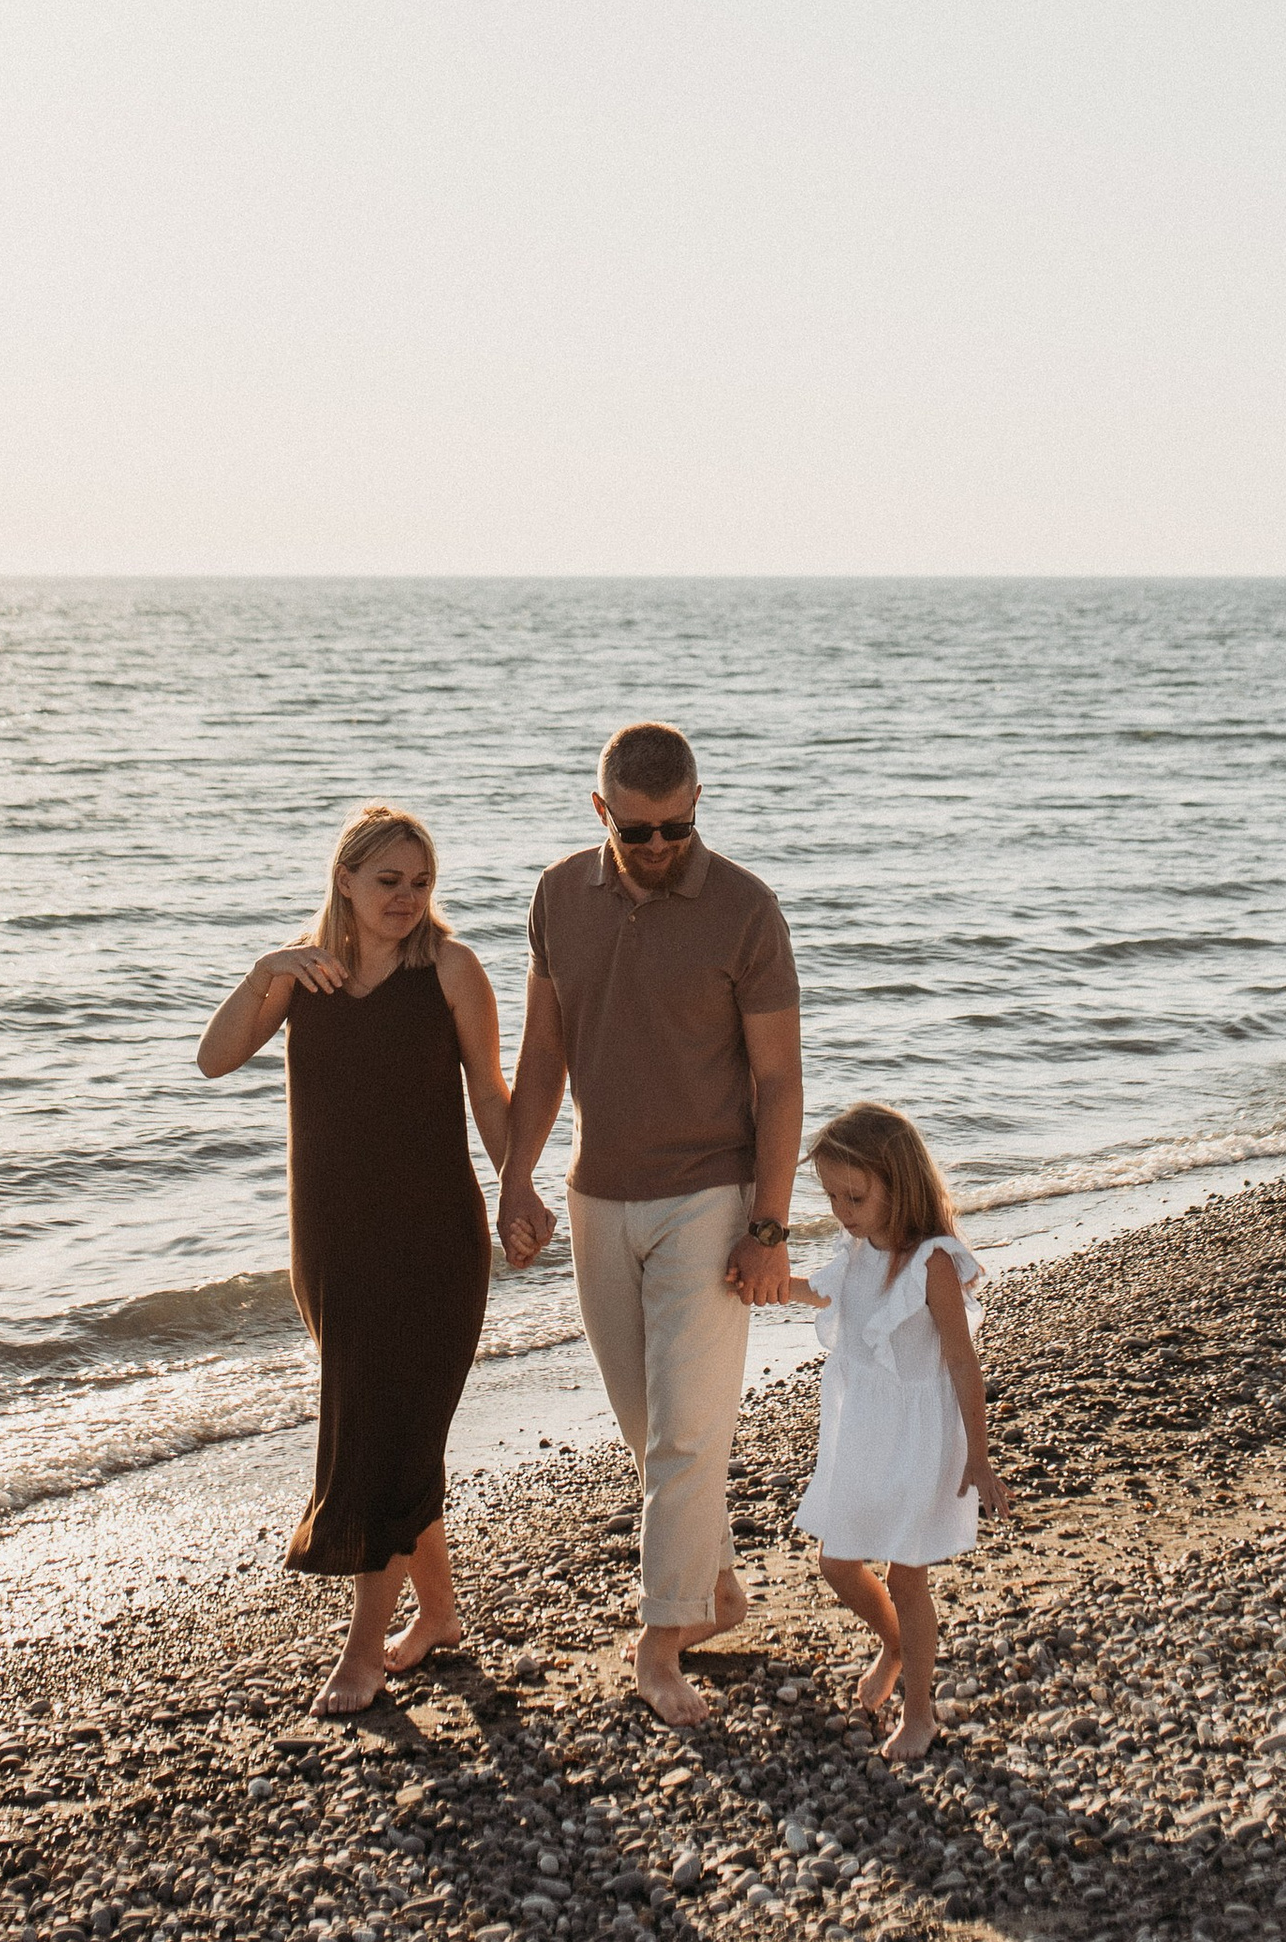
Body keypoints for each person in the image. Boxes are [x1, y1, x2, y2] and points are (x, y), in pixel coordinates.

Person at [497, 719, 805, 1727]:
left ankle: (659, 1642)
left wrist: (769, 1225)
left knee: (685, 1429)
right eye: (639, 832)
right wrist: (514, 1177)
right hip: (597, 1195)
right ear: (602, 815)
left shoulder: (744, 908)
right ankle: (712, 1591)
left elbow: (776, 1077)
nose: (661, 845)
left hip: (709, 1196)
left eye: (678, 824)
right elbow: (543, 1059)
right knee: (651, 1431)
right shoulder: (556, 898)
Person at [196, 804, 509, 1718]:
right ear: (344, 879)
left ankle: (364, 1649)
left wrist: (522, 1188)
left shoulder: (452, 968)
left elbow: (491, 1097)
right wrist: (264, 970)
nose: (408, 898)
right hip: (331, 1242)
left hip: (434, 1241)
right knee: (394, 1425)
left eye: (421, 882)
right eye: (389, 881)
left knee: (386, 1435)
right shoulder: (305, 975)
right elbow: (214, 1059)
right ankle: (440, 1615)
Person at [789, 1098, 1009, 1766]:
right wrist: (763, 1284)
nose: (842, 1210)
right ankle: (892, 1644)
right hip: (861, 1429)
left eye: (855, 1195)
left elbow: (962, 1360)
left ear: (899, 1184)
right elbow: (824, 1292)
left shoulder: (934, 1261)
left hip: (919, 1436)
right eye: (831, 1196)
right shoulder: (857, 1248)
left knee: (907, 1576)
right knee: (836, 1560)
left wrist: (981, 1452)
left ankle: (921, 1714)